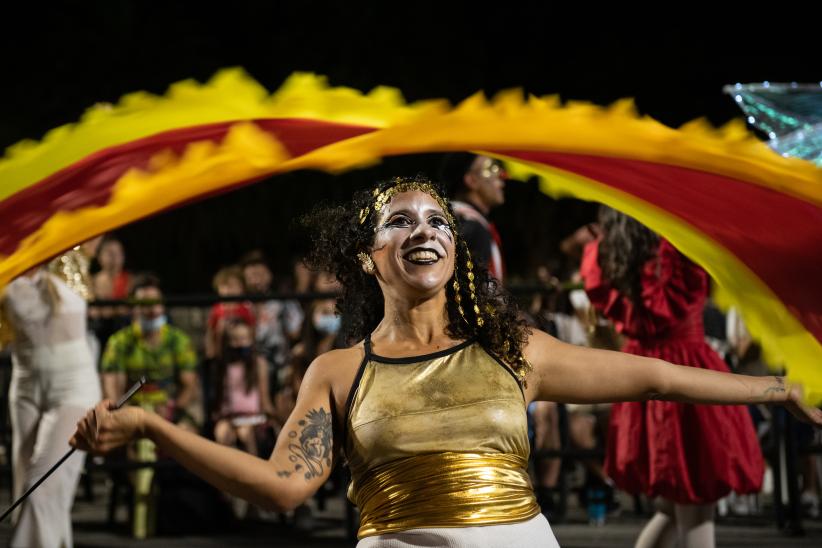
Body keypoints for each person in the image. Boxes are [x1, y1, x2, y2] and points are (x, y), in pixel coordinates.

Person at [72, 176, 821, 548]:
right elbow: (280, 490)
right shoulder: (337, 371)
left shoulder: (513, 351)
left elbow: (660, 376)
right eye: (399, 221)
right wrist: (146, 426)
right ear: (369, 259)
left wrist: (781, 387)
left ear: (455, 250)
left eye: (436, 220)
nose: (422, 229)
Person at [580, 206, 766, 548]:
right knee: (692, 503)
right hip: (687, 368)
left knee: (672, 507)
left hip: (639, 371)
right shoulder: (678, 244)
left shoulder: (612, 248)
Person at [0, 263, 101, 548]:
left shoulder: (69, 252)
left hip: (74, 387)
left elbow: (98, 220)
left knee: (41, 488)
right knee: (27, 493)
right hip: (26, 388)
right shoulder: (5, 262)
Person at [440, 153, 507, 281]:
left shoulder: (448, 219)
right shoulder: (472, 227)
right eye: (491, 169)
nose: (502, 176)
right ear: (472, 180)